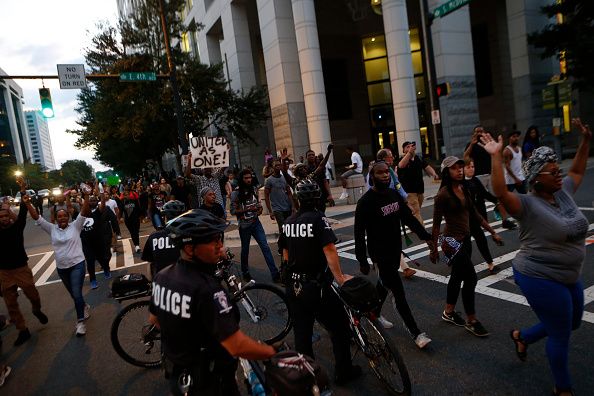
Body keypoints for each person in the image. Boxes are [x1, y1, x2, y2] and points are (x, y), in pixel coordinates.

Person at [480, 118, 590, 396]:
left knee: (572, 321)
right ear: (536, 178)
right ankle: (562, 388)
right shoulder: (526, 205)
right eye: (552, 172)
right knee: (560, 333)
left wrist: (585, 141)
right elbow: (501, 192)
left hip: (568, 275)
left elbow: (577, 169)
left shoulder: (563, 192)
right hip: (538, 275)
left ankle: (522, 336)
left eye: (558, 170)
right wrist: (495, 157)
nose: (559, 174)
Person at [149, 209, 276, 395]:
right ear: (189, 248)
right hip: (210, 380)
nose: (219, 246)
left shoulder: (162, 277)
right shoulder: (207, 289)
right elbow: (237, 345)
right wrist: (272, 354)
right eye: (212, 240)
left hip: (178, 376)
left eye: (220, 238)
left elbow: (155, 320)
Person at [279, 178, 361, 385]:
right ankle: (344, 372)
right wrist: (340, 278)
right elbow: (330, 249)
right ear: (317, 198)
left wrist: (290, 271)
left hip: (295, 286)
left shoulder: (288, 222)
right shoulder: (318, 218)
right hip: (316, 286)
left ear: (296, 199)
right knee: (340, 328)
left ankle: (309, 377)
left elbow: (285, 251)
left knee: (302, 334)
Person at [355, 161, 433, 348]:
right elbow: (359, 233)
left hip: (394, 251)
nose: (385, 175)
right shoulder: (365, 202)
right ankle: (417, 334)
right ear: (372, 177)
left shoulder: (393, 195)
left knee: (383, 284)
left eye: (387, 172)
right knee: (398, 292)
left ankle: (374, 313)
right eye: (380, 173)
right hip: (379, 255)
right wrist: (362, 260)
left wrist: (426, 236)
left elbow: (408, 218)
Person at [429, 156, 500, 338]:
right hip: (451, 243)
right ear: (447, 172)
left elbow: (475, 214)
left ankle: (448, 312)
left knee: (457, 276)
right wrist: (433, 248)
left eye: (461, 167)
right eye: (454, 168)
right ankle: (472, 320)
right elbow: (436, 224)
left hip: (465, 240)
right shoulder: (443, 195)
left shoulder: (464, 188)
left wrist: (492, 231)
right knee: (471, 278)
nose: (459, 170)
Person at [28, 188, 92, 337]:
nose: (62, 218)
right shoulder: (51, 229)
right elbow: (37, 218)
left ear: (69, 217)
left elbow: (84, 211)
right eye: (59, 216)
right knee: (74, 294)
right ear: (56, 219)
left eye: (65, 216)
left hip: (77, 264)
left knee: (76, 293)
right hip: (62, 268)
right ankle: (84, 306)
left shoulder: (76, 226)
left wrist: (87, 195)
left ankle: (80, 322)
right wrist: (28, 204)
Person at [0, 178, 48, 346]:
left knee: (32, 294)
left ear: (9, 217)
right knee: (10, 304)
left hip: (21, 268)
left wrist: (22, 190)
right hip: (4, 272)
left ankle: (37, 310)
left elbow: (21, 213)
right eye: (1, 217)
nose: (4, 218)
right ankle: (23, 330)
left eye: (6, 216)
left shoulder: (17, 227)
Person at [365, 149, 416, 280]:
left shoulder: (388, 170)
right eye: (390, 156)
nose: (392, 158)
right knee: (387, 239)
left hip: (392, 206)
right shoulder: (376, 171)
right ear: (384, 158)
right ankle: (401, 268)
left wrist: (404, 201)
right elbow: (371, 189)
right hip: (381, 210)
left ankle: (403, 267)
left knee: (392, 237)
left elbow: (398, 186)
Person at [230, 170, 281, 283]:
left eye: (250, 177)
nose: (248, 180)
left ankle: (275, 274)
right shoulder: (236, 193)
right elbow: (233, 211)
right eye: (246, 178)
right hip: (244, 226)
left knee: (265, 247)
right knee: (245, 250)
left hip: (256, 223)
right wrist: (248, 209)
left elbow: (257, 203)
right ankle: (245, 272)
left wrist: (259, 208)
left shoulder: (253, 189)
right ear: (241, 179)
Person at [464, 126, 517, 229]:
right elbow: (465, 156)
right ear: (474, 133)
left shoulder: (488, 143)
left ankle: (505, 220)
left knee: (498, 198)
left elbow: (496, 156)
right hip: (478, 176)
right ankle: (484, 222)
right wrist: (472, 143)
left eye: (481, 131)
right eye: (477, 131)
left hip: (490, 174)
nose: (479, 133)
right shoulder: (471, 145)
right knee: (480, 200)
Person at [464, 160, 504, 274]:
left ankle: (490, 264)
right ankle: (460, 263)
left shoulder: (475, 180)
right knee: (466, 244)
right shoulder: (461, 184)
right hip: (468, 219)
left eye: (473, 166)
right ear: (463, 169)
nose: (471, 169)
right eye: (468, 167)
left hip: (478, 217)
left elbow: (484, 193)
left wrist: (496, 200)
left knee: (481, 240)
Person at [142, 200, 186, 279]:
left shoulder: (154, 236)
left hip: (162, 284)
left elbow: (150, 265)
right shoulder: (189, 234)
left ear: (165, 217)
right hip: (185, 282)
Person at [397, 141, 439, 224]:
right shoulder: (403, 160)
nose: (410, 148)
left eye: (411, 146)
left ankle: (411, 223)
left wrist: (434, 173)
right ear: (403, 150)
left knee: (416, 210)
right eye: (407, 147)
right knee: (416, 212)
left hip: (420, 190)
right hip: (409, 191)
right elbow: (401, 165)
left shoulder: (419, 158)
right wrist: (409, 153)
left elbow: (427, 167)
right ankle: (422, 231)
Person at [80, 194, 113, 289]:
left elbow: (102, 205)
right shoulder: (79, 217)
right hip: (87, 244)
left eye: (93, 201)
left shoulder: (96, 213)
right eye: (89, 202)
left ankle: (106, 269)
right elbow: (70, 208)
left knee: (103, 259)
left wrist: (102, 195)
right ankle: (92, 280)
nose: (91, 203)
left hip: (99, 242)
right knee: (90, 262)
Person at [264, 158, 296, 255]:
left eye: (279, 165)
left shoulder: (284, 178)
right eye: (276, 165)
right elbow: (266, 196)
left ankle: (288, 246)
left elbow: (289, 193)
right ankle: (281, 248)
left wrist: (293, 206)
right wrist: (270, 211)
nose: (278, 167)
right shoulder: (269, 180)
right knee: (283, 228)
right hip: (277, 209)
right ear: (272, 168)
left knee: (289, 228)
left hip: (287, 207)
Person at [121, 186, 142, 253]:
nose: (127, 196)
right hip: (127, 220)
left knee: (136, 231)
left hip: (135, 218)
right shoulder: (122, 202)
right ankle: (136, 245)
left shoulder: (134, 200)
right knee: (132, 232)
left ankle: (137, 245)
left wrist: (140, 216)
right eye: (125, 195)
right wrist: (120, 218)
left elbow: (138, 208)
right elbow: (121, 210)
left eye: (127, 194)